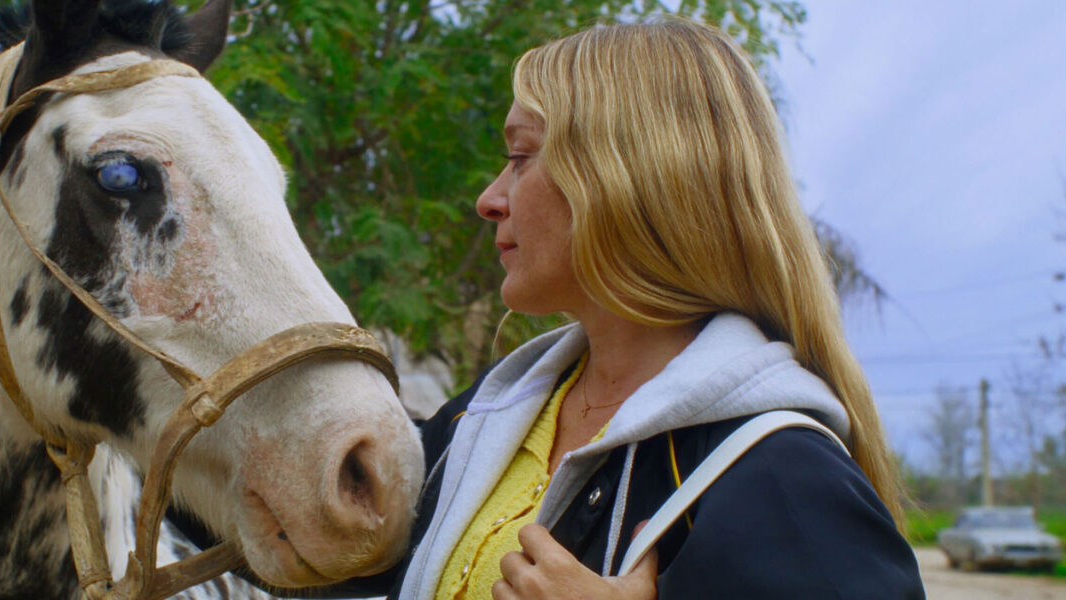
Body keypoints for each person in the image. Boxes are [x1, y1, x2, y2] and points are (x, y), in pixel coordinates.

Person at [382, 16, 924, 600]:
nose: (489, 199)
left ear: (628, 177)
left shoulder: (783, 475)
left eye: (520, 156)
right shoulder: (483, 416)